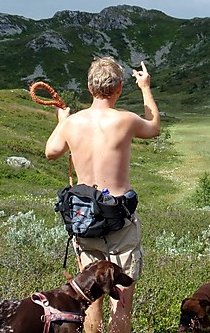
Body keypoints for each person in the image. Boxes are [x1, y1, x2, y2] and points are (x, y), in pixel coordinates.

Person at [45, 57, 160, 333]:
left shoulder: (72, 123)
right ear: (119, 88)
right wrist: (145, 87)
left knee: (90, 299)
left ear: (89, 87)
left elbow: (51, 151)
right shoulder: (125, 120)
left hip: (85, 220)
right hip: (119, 222)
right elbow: (154, 126)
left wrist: (63, 122)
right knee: (120, 303)